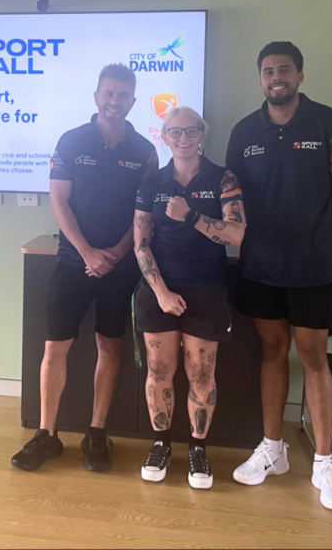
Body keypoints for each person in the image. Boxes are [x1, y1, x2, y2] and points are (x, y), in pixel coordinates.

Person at [225, 41, 332, 511]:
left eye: (284, 69)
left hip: (313, 269)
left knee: (313, 358)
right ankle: (273, 450)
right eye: (267, 71)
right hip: (260, 268)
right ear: (260, 79)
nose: (275, 77)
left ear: (300, 76)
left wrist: (314, 237)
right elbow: (233, 203)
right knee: (271, 353)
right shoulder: (244, 131)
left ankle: (325, 463)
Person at [11, 64, 157, 473]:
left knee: (110, 346)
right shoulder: (71, 141)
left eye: (123, 95)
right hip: (74, 262)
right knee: (54, 348)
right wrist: (89, 252)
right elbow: (58, 201)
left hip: (121, 265)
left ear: (132, 100)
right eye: (108, 94)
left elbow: (143, 214)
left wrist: (112, 253)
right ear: (96, 96)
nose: (115, 101)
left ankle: (96, 433)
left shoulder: (145, 151)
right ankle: (46, 435)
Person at [132, 106, 245, 489]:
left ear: (202, 135)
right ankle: (161, 444)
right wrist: (160, 292)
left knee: (201, 373)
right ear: (164, 137)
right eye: (175, 131)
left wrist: (190, 215)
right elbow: (141, 244)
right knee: (159, 370)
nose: (183, 138)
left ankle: (198, 449)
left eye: (191, 131)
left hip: (207, 291)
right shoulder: (152, 182)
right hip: (159, 291)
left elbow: (236, 235)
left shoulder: (223, 178)